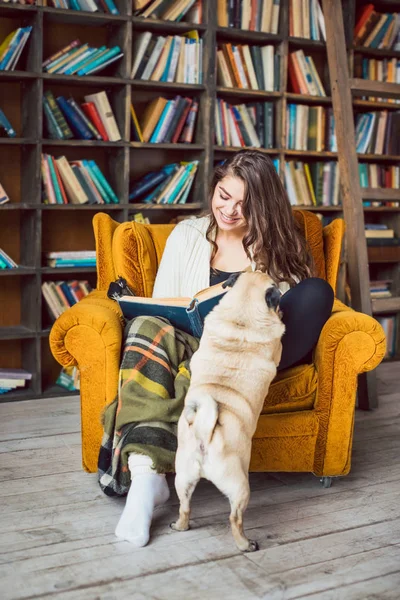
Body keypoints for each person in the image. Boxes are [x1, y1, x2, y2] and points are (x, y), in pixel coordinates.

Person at [98, 149, 334, 547]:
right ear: (214, 188)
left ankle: (146, 475)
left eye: (245, 204)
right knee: (144, 327)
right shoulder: (187, 234)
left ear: (264, 207)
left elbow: (288, 311)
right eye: (223, 195)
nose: (229, 210)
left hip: (245, 351)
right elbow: (166, 304)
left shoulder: (279, 244)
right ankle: (145, 478)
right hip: (191, 343)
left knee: (317, 292)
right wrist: (204, 299)